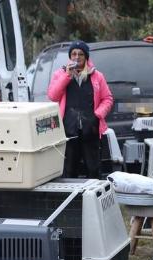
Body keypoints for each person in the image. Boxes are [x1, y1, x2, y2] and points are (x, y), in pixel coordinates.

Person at [47, 41, 113, 179]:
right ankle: (72, 200)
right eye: (74, 54)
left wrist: (97, 115)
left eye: (81, 54)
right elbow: (53, 96)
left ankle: (92, 198)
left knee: (93, 169)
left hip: (91, 130)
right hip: (68, 130)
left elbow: (107, 99)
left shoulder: (97, 76)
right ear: (70, 56)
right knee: (69, 169)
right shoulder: (60, 74)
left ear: (86, 57)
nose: (77, 57)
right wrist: (67, 76)